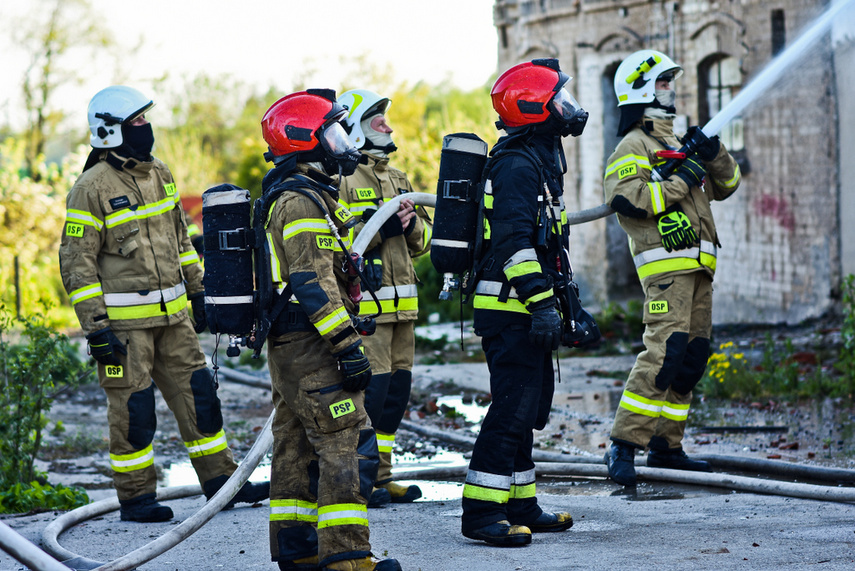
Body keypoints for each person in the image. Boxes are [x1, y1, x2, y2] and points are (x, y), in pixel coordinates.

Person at [59, 85, 269, 523]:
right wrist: (96, 328)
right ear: (110, 131)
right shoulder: (90, 187)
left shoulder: (160, 173)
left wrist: (198, 291)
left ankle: (222, 482)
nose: (146, 127)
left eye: (145, 119)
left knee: (200, 398)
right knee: (134, 413)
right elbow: (77, 262)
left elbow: (181, 242)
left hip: (174, 320)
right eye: (137, 121)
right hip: (124, 330)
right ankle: (136, 498)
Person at [259, 89, 401, 571]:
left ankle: (298, 551)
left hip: (295, 344)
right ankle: (347, 556)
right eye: (333, 133)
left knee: (297, 444)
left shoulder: (306, 195)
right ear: (305, 140)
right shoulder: (300, 203)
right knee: (347, 441)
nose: (344, 143)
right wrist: (347, 346)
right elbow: (312, 283)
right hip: (313, 344)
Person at [462, 59, 588, 547]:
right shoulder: (516, 165)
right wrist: (540, 304)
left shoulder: (535, 159)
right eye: (559, 100)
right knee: (511, 412)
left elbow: (547, 246)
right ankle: (481, 514)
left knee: (526, 412)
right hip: (510, 309)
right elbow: (513, 243)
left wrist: (567, 306)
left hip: (523, 308)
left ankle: (521, 505)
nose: (568, 109)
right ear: (534, 108)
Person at [602, 50, 742, 486]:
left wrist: (713, 153)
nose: (671, 90)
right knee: (663, 355)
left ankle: (666, 447)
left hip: (699, 269)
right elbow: (628, 199)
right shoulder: (633, 146)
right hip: (665, 272)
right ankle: (623, 445)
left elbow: (727, 185)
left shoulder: (677, 144)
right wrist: (682, 177)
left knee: (690, 358)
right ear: (642, 90)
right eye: (663, 83)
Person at [336, 89, 432, 507]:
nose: (389, 128)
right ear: (356, 127)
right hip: (367, 313)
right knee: (369, 397)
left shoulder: (398, 178)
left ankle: (383, 474)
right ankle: (360, 479)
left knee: (395, 395)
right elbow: (340, 243)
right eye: (379, 122)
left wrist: (409, 227)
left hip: (402, 311)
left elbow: (422, 243)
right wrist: (381, 229)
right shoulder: (341, 178)